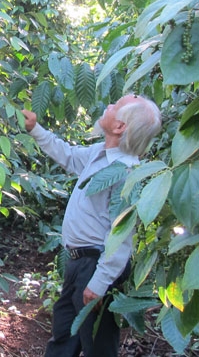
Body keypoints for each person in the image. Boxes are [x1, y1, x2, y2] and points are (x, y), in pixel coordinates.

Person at [21, 94, 162, 357]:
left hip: (96, 266)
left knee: (98, 346)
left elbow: (120, 235)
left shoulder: (126, 173)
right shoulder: (101, 154)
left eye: (115, 106)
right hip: (77, 263)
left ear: (120, 127)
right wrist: (35, 129)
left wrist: (99, 283)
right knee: (63, 337)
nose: (108, 106)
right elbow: (70, 156)